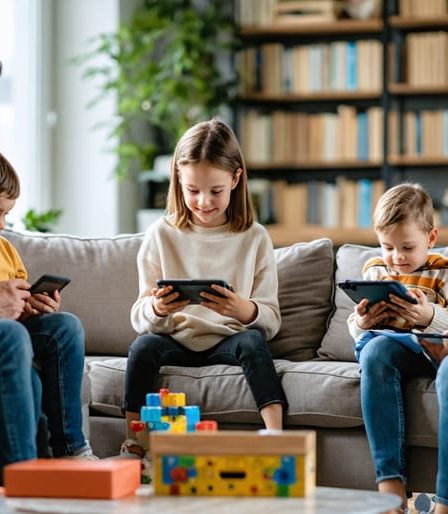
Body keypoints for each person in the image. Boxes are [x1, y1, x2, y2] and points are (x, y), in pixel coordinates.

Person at [123, 118, 286, 457]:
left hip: (230, 338)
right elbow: (139, 315)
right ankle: (134, 442)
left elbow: (271, 319)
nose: (204, 202)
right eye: (193, 191)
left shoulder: (254, 236)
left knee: (253, 343)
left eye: (216, 191)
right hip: (175, 338)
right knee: (143, 347)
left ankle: (275, 438)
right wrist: (158, 310)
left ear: (236, 179)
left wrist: (243, 310)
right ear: (178, 179)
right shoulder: (160, 235)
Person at [347, 183, 448, 514]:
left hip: (440, 350)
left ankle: (444, 500)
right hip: (397, 349)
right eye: (387, 246)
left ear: (431, 239)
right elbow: (356, 325)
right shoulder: (376, 270)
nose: (397, 257)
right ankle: (390, 490)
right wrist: (363, 322)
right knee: (376, 353)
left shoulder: (442, 271)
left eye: (407, 247)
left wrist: (428, 315)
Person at [0, 151, 96, 483]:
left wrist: (28, 307)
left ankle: (72, 450)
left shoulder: (6, 250)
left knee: (64, 326)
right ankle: (24, 478)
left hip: (11, 335)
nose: (2, 225)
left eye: (6, 215)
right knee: (12, 339)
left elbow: (16, 309)